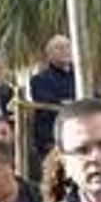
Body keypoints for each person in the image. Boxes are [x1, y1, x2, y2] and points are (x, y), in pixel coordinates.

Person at [27, 35, 75, 165]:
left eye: (67, 47)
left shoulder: (80, 75)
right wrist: (73, 104)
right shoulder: (39, 79)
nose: (64, 51)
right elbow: (49, 103)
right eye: (59, 48)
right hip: (52, 139)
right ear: (49, 54)